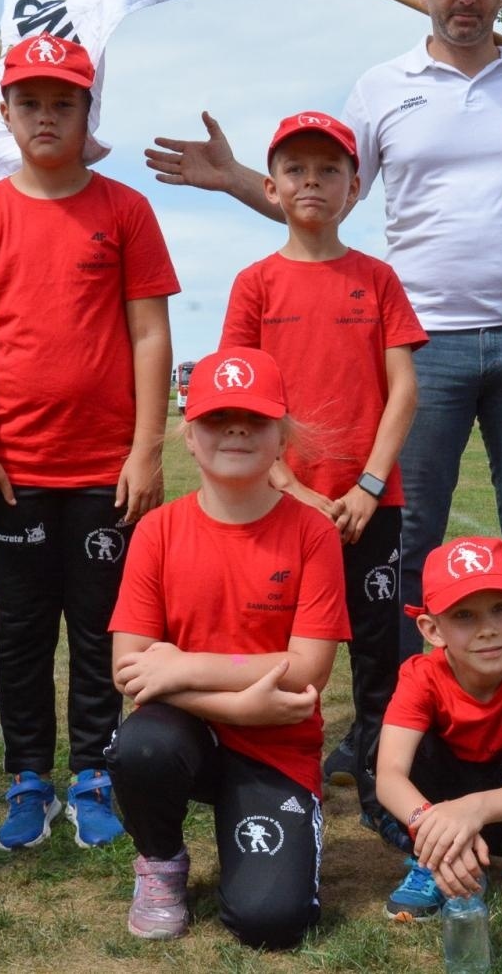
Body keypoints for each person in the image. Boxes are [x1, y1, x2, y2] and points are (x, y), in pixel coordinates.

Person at [146, 0, 502, 771]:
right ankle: (410, 722)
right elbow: (323, 199)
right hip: (426, 343)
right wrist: (236, 179)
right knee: (410, 547)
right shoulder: (382, 87)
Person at [0, 33, 178, 852]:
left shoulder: (124, 210)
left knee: (104, 626)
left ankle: (97, 772)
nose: (46, 116)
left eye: (63, 102)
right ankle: (30, 775)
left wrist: (146, 449)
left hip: (105, 473)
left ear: (86, 111)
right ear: (5, 113)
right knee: (23, 627)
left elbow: (150, 335)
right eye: (30, 102)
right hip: (15, 474)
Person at [218, 111, 425, 835]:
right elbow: (237, 399)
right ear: (271, 187)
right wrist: (298, 490)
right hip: (281, 502)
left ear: (354, 185)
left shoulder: (378, 279)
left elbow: (403, 390)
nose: (313, 181)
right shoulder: (255, 284)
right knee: (278, 649)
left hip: (372, 503)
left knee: (378, 653)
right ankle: (272, 775)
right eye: (297, 169)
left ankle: (381, 788)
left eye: (329, 169)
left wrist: (367, 485)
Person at [105, 347, 349, 947]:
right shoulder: (158, 530)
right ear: (189, 436)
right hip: (183, 735)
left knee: (273, 922)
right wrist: (239, 704)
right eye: (216, 418)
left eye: (254, 418)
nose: (235, 429)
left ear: (281, 436)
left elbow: (307, 670)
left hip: (276, 743)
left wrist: (184, 667)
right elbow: (130, 671)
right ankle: (160, 861)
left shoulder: (313, 533)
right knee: (142, 747)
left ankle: (250, 824)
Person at [375, 535, 502, 933]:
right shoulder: (421, 675)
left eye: (500, 609)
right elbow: (388, 776)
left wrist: (473, 810)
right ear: (432, 629)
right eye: (464, 616)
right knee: (404, 748)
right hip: (439, 810)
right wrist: (435, 830)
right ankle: (430, 862)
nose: (487, 630)